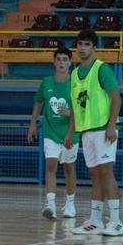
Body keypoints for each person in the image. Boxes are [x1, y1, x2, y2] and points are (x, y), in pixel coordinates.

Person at [64, 29, 123, 236]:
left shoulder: (102, 69)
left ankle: (116, 221)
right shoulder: (73, 73)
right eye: (80, 44)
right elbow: (74, 106)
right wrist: (70, 132)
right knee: (95, 175)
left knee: (107, 172)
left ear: (94, 47)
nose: (82, 48)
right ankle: (96, 220)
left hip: (102, 129)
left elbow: (116, 98)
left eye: (87, 44)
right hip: (86, 131)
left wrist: (111, 125)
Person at [28, 46, 79, 220]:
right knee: (51, 165)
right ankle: (50, 204)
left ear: (70, 63)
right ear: (54, 62)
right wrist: (33, 124)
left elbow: (81, 108)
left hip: (71, 132)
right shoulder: (46, 82)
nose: (61, 62)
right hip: (50, 131)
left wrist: (70, 115)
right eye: (59, 59)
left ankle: (70, 204)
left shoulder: (75, 83)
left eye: (65, 59)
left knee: (69, 167)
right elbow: (38, 102)